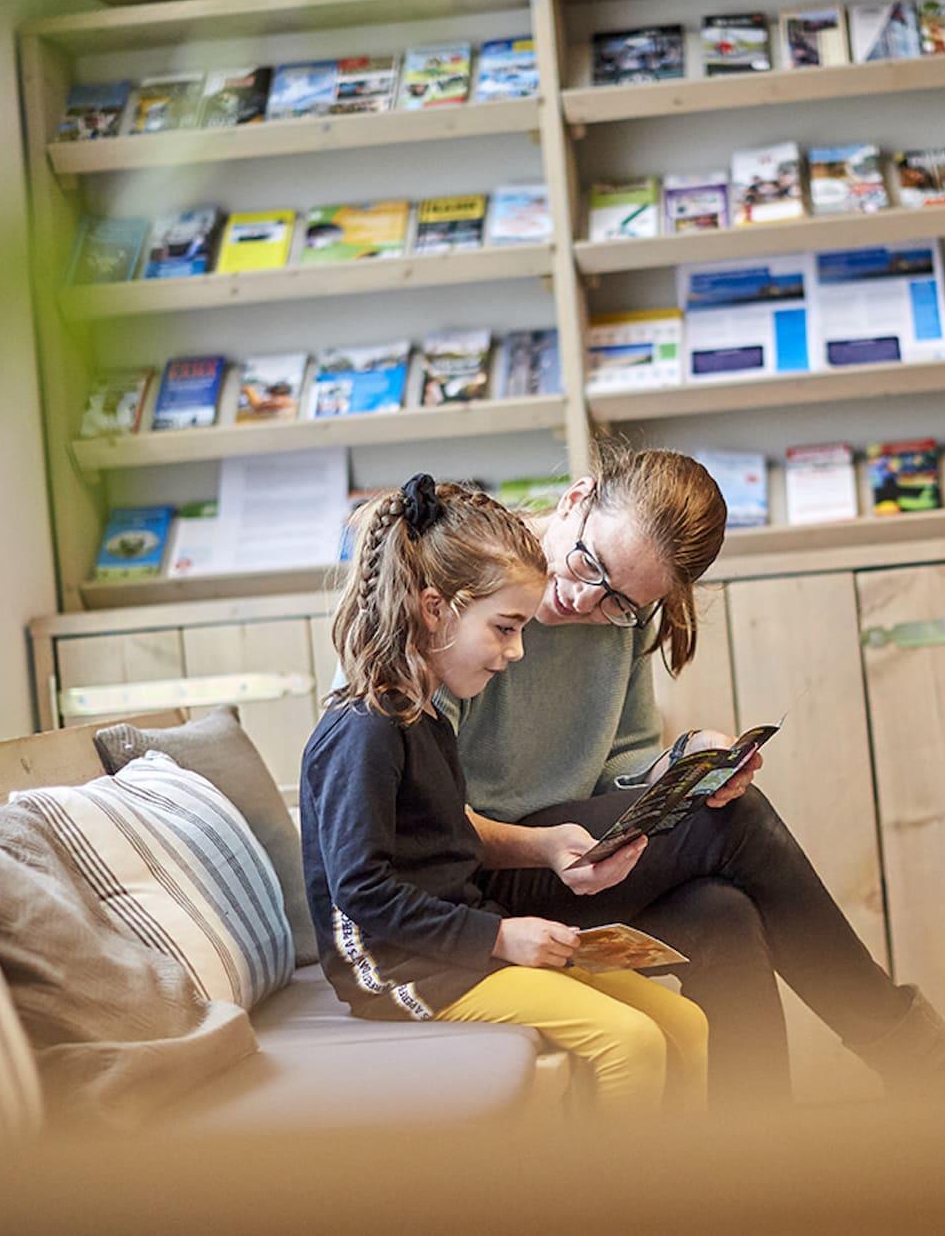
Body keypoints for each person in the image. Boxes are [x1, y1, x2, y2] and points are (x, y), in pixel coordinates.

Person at [448, 446, 945, 1104]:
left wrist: (683, 760)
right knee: (736, 818)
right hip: (470, 877)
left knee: (724, 917)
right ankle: (922, 1062)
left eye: (619, 601)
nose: (584, 597)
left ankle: (757, 1160)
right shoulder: (470, 584)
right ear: (575, 500)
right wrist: (545, 845)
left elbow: (617, 762)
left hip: (573, 862)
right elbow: (412, 812)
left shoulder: (624, 614)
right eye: (590, 562)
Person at [299, 474, 707, 1113]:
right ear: (435, 609)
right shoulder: (363, 731)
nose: (516, 651)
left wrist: (534, 872)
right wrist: (497, 938)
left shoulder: (426, 718)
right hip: (399, 969)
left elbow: (447, 846)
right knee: (630, 1042)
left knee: (686, 1023)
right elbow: (364, 892)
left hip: (462, 941)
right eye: (505, 628)